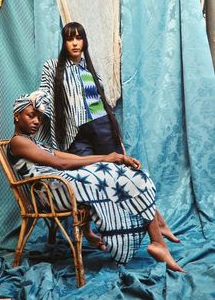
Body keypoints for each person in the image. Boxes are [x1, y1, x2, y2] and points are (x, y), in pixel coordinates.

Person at [8, 90, 186, 272]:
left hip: (61, 186)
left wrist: (110, 157)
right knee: (110, 173)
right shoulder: (18, 142)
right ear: (16, 116)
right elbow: (60, 163)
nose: (37, 122)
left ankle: (157, 235)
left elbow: (71, 158)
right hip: (53, 194)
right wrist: (105, 159)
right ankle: (156, 230)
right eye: (31, 116)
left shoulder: (34, 143)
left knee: (115, 171)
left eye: (39, 117)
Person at [39, 22, 180, 244]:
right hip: (75, 134)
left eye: (79, 38)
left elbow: (103, 105)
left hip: (101, 126)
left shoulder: (89, 69)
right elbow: (45, 95)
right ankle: (87, 232)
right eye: (69, 38)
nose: (75, 43)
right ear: (64, 42)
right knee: (88, 177)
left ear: (84, 41)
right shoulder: (53, 67)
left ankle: (158, 222)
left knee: (124, 172)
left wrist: (117, 141)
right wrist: (32, 104)